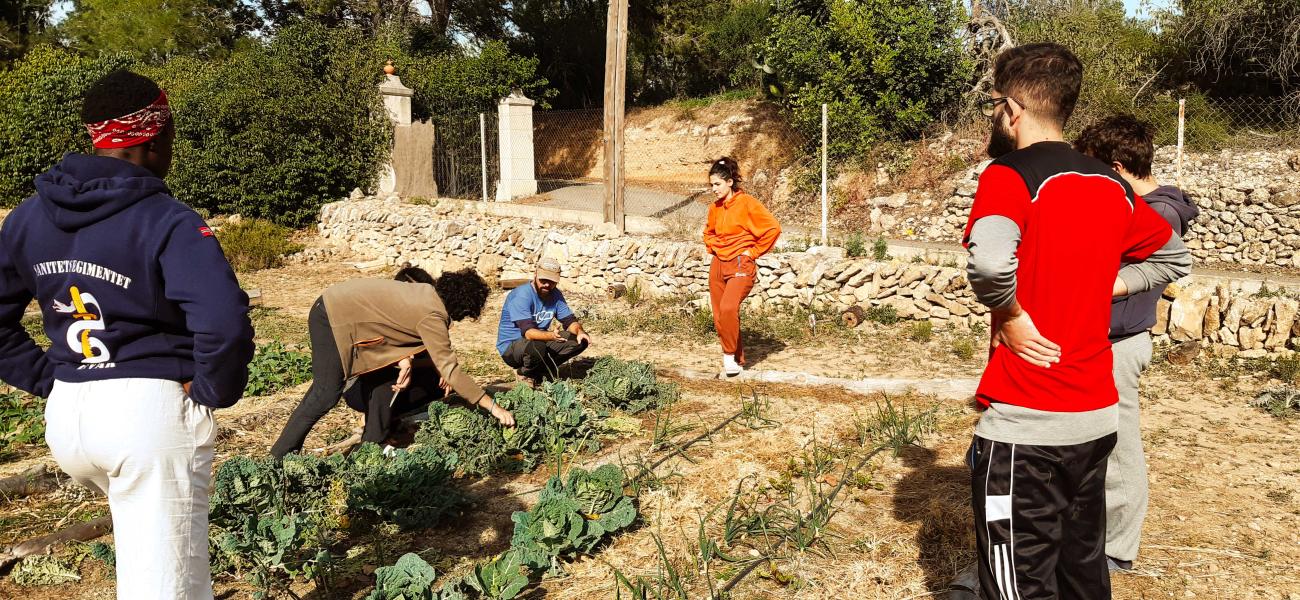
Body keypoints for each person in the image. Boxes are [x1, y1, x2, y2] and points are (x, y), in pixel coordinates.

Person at [0, 70, 255, 599]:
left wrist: (52, 380)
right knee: (166, 588)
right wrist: (212, 390)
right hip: (147, 418)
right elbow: (224, 318)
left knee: (148, 565)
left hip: (70, 418)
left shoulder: (27, 217)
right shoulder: (165, 219)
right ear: (156, 137)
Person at [963, 44, 1191, 600]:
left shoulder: (1008, 175)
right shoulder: (1109, 183)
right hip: (1094, 418)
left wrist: (1011, 315)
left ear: (1011, 110)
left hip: (1026, 425)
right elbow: (1173, 257)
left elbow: (990, 263)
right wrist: (1107, 284)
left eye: (994, 105)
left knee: (1019, 583)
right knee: (1082, 572)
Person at [1075, 114, 1199, 571]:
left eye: (1093, 170)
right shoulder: (1146, 205)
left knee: (1120, 445)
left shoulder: (1154, 212)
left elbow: (1153, 267)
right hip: (1107, 339)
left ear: (1117, 166)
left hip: (1120, 342)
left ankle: (1117, 550)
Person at [270, 267, 515, 458]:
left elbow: (392, 321)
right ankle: (280, 456)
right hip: (332, 316)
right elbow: (450, 368)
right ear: (466, 308)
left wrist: (405, 359)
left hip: (335, 306)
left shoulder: (427, 294)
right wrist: (493, 407)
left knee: (380, 378)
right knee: (324, 394)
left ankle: (372, 443)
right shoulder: (433, 314)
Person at [702, 157, 781, 377]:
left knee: (728, 308)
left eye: (717, 184)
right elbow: (708, 232)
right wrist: (713, 246)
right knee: (719, 315)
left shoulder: (747, 203)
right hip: (718, 263)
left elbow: (773, 228)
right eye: (712, 185)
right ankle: (736, 359)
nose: (714, 189)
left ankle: (728, 357)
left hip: (740, 263)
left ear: (729, 182)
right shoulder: (714, 208)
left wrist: (753, 252)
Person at [496, 257, 591, 385]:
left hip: (539, 342)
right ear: (535, 274)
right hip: (512, 348)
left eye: (552, 281)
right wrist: (551, 336)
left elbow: (569, 321)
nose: (547, 284)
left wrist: (580, 331)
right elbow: (528, 333)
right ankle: (524, 373)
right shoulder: (521, 295)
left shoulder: (555, 295)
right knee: (537, 346)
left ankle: (542, 370)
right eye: (543, 280)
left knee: (579, 341)